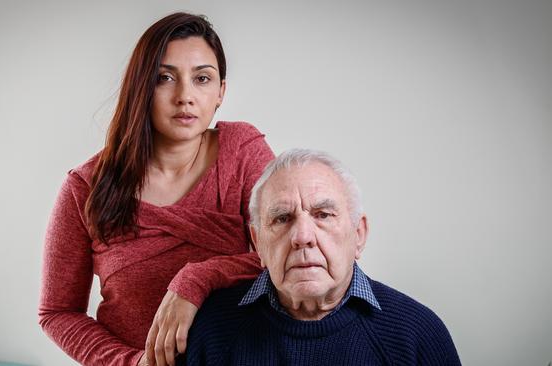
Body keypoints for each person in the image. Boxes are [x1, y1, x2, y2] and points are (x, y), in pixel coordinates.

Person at [38, 12, 274, 366]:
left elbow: (287, 256)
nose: (185, 96)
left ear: (221, 92)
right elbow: (57, 312)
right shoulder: (84, 188)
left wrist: (197, 278)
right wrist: (131, 363)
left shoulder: (242, 151)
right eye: (165, 78)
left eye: (202, 79)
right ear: (141, 86)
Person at [180, 149, 461, 365]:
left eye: (323, 215)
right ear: (258, 243)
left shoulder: (417, 334)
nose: (303, 236)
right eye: (282, 218)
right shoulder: (212, 332)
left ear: (359, 234)